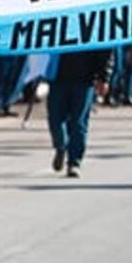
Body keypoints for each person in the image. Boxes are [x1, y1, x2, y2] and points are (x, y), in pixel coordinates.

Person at [46, 49, 112, 178]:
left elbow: (105, 47)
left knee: (79, 122)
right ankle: (61, 145)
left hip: (85, 79)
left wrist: (104, 77)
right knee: (55, 118)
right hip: (57, 76)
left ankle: (74, 163)